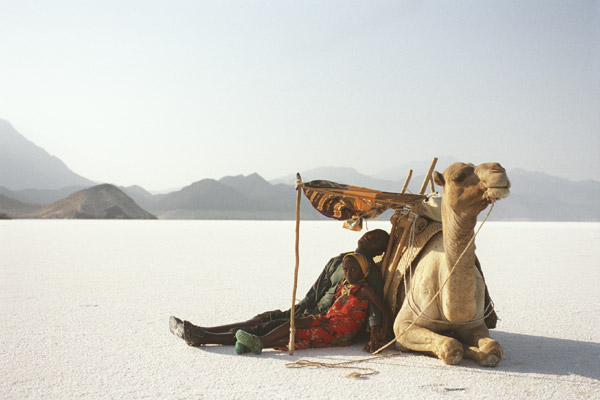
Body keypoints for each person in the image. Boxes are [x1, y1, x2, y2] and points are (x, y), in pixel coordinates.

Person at [170, 229, 390, 353]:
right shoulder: (340, 260)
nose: (370, 236)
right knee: (262, 318)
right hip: (309, 309)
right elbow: (318, 287)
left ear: (378, 251)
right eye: (372, 233)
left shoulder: (368, 273)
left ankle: (204, 337)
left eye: (377, 240)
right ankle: (205, 330)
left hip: (324, 317)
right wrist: (302, 305)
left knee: (267, 327)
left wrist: (374, 334)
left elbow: (373, 307)